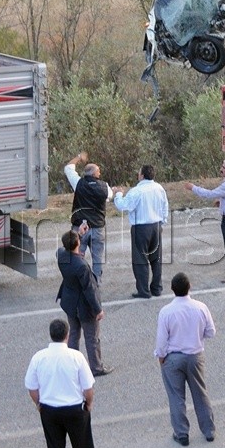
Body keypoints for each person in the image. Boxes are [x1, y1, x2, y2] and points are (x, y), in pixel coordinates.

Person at [25, 318, 99, 448]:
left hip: (49, 410)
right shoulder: (76, 356)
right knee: (83, 445)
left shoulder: (38, 357)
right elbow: (88, 388)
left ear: (51, 335)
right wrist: (89, 404)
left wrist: (38, 404)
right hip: (75, 409)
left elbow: (32, 387)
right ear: (67, 334)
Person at [154, 272, 217, 445]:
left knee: (176, 397)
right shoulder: (201, 307)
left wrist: (161, 356)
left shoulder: (166, 311)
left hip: (173, 358)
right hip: (195, 356)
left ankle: (182, 433)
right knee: (200, 393)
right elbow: (211, 332)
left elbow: (161, 340)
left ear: (172, 289)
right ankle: (209, 430)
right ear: (189, 287)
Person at [56, 230, 111, 375]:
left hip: (70, 303)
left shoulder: (61, 255)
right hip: (84, 307)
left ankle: (72, 366)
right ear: (78, 244)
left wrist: (78, 235)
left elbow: (65, 246)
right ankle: (96, 367)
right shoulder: (81, 266)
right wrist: (98, 309)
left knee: (73, 334)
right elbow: (89, 290)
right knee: (92, 338)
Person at [113, 165, 170, 299]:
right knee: (156, 259)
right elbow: (165, 206)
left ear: (142, 175)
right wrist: (162, 222)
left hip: (141, 227)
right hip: (156, 225)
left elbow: (123, 206)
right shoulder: (159, 188)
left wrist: (118, 194)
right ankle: (156, 288)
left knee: (140, 260)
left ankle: (143, 290)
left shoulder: (137, 191)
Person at [189, 158, 225, 284]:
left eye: (224, 168)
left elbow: (209, 194)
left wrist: (193, 188)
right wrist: (223, 202)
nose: (221, 170)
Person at [65, 152, 112, 283]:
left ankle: (79, 281)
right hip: (97, 227)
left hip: (79, 227)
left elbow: (68, 168)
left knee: (77, 256)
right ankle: (96, 282)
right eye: (99, 171)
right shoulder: (104, 187)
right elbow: (110, 196)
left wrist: (79, 157)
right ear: (94, 174)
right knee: (97, 258)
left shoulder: (78, 183)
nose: (100, 174)